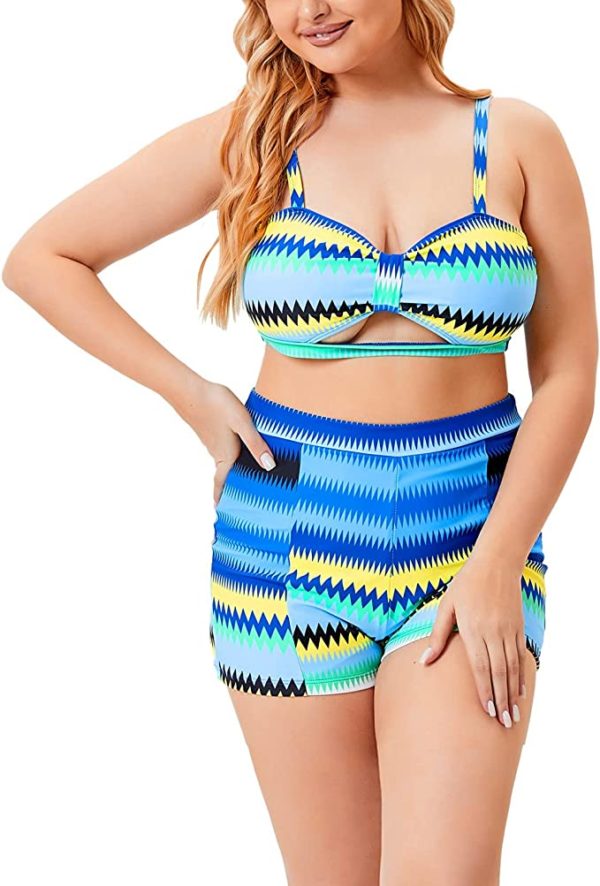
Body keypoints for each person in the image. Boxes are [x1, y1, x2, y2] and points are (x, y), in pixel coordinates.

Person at [3, 2, 596, 884]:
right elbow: (44, 259)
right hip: (282, 542)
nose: (309, 9)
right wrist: (195, 397)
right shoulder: (258, 133)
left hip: (472, 535)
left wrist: (498, 561)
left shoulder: (514, 137)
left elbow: (570, 371)